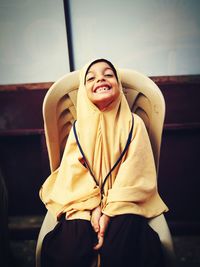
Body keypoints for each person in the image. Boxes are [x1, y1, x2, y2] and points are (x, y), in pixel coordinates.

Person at [39, 58, 168, 267]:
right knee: (69, 252)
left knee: (123, 252)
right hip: (83, 202)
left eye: (108, 74)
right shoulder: (78, 129)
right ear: (83, 90)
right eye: (91, 78)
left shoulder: (134, 124)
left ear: (118, 85)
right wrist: (93, 208)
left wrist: (108, 211)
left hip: (124, 201)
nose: (100, 78)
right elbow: (73, 173)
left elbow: (136, 171)